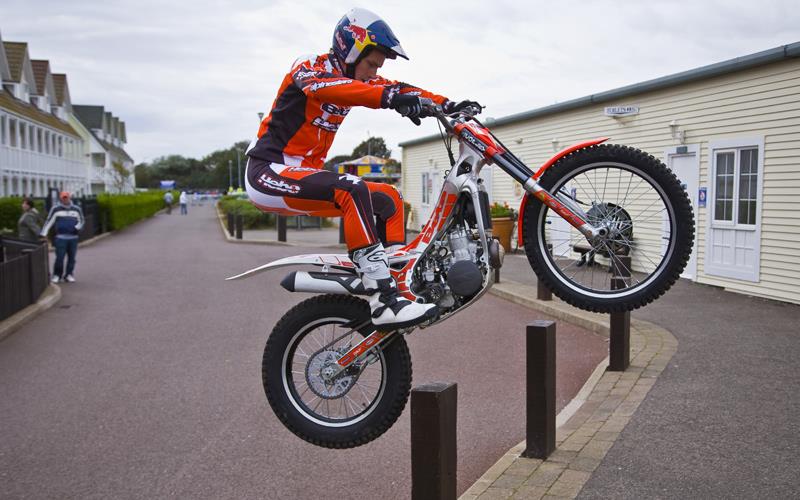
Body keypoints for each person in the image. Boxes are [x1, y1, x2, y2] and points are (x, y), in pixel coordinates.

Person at [244, 8, 480, 329]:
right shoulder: (309, 67)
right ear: (350, 50)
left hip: (303, 175)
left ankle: (398, 286)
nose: (373, 73)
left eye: (376, 68)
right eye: (371, 64)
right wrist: (388, 96)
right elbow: (334, 89)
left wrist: (447, 104)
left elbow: (397, 87)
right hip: (268, 173)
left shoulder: (361, 79)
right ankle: (383, 299)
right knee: (350, 188)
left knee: (388, 198)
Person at [40, 191, 84, 283]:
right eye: (63, 198)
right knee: (59, 258)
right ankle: (57, 275)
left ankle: (69, 274)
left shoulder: (76, 209)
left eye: (66, 197)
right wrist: (44, 233)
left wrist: (76, 228)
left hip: (73, 237)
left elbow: (82, 220)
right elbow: (49, 221)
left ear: (69, 198)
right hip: (61, 238)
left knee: (72, 258)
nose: (65, 199)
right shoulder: (56, 209)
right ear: (61, 198)